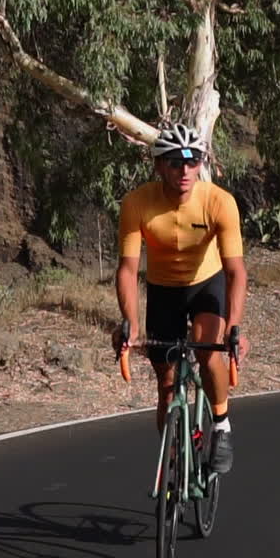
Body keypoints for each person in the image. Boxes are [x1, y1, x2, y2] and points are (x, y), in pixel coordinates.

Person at [113, 122, 249, 473]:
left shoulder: (220, 202)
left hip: (206, 285)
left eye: (193, 161)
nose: (185, 170)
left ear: (201, 162)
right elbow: (128, 270)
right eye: (174, 162)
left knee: (207, 354)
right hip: (163, 292)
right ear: (159, 165)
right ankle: (174, 462)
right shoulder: (137, 203)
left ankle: (221, 425)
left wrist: (233, 329)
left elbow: (236, 271)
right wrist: (130, 324)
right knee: (167, 383)